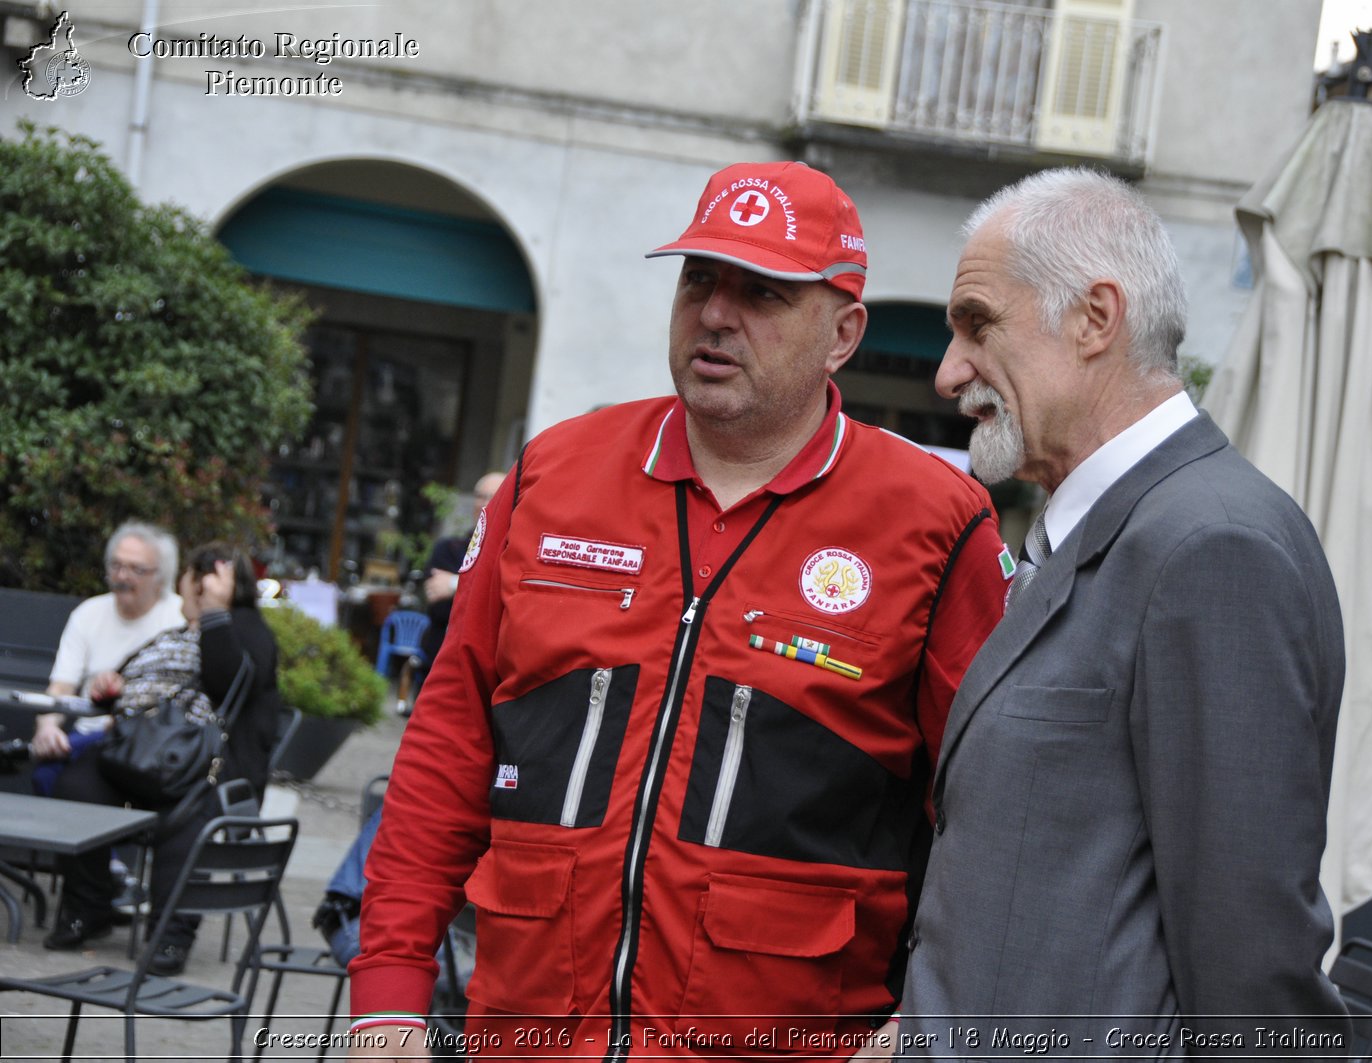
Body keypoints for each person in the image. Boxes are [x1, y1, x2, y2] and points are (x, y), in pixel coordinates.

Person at [347, 161, 1008, 1059]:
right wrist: (387, 992)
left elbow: (992, 807)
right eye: (700, 278)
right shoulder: (554, 475)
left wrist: (923, 1017)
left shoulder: (934, 520)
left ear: (843, 332)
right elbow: (450, 739)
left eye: (765, 292)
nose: (717, 313)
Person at [898, 168, 1351, 1054]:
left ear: (1096, 318)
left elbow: (1254, 971)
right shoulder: (1117, 523)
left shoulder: (1212, 548)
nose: (950, 373)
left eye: (977, 324)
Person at [45, 543, 284, 978]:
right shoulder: (179, 631)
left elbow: (231, 681)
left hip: (209, 771)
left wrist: (214, 612)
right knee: (75, 788)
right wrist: (112, 688)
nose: (184, 589)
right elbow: (142, 676)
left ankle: (171, 934)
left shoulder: (247, 629)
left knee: (187, 819)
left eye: (192, 578)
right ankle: (90, 907)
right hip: (147, 752)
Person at [30, 522, 186, 786]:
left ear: (161, 578)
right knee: (45, 773)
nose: (123, 576)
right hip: (89, 735)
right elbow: (60, 687)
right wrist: (47, 728)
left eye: (136, 569)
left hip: (151, 741)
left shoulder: (179, 617)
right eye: (116, 565)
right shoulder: (88, 614)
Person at [414, 472, 506, 691]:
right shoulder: (449, 549)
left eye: (492, 497)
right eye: (479, 496)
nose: (483, 504)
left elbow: (500, 608)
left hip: (487, 677)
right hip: (438, 667)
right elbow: (439, 610)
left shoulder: (511, 554)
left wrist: (454, 584)